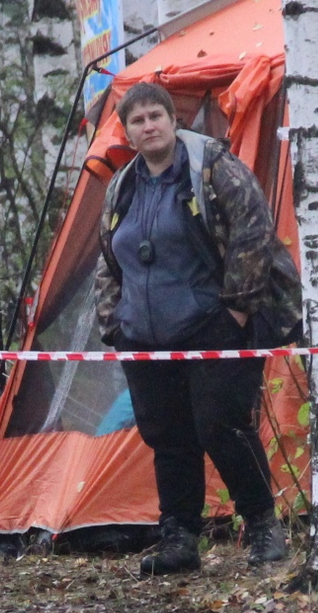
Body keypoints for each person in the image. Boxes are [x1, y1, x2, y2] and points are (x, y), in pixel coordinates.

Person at [94, 80, 301, 575]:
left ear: (173, 120)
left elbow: (254, 233)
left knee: (222, 426)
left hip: (214, 328)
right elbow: (108, 259)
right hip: (143, 337)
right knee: (166, 435)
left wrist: (236, 312)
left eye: (155, 116)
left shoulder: (213, 169)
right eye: (137, 120)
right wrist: (114, 324)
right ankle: (179, 538)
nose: (148, 126)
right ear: (127, 131)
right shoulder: (123, 185)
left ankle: (263, 527)